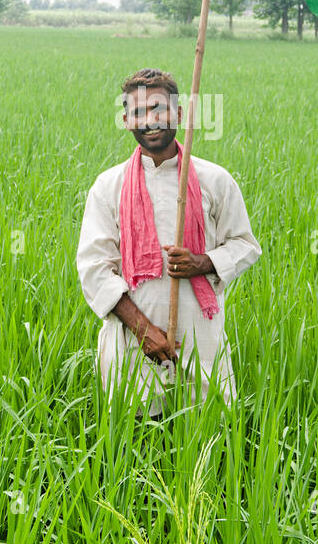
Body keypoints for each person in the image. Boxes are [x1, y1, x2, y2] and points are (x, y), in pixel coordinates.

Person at [75, 68, 262, 418]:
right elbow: (94, 268)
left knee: (207, 433)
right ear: (127, 120)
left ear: (179, 114)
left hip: (199, 335)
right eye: (139, 112)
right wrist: (144, 331)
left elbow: (245, 244)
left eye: (159, 109)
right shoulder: (108, 186)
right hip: (131, 343)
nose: (151, 120)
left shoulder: (214, 180)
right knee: (136, 441)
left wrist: (202, 262)